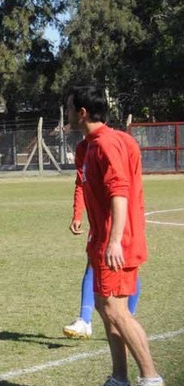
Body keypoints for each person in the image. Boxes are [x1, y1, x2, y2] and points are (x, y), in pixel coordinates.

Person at [66, 85, 165, 386]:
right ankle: (119, 379)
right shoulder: (89, 146)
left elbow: (120, 193)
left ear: (82, 113)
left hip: (117, 242)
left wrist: (114, 241)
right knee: (105, 309)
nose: (66, 114)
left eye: (69, 108)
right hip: (102, 240)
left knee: (117, 310)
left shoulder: (108, 144)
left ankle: (150, 378)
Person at [63, 141, 140, 340]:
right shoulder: (82, 148)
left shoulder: (111, 145)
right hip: (98, 223)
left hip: (122, 219)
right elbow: (81, 182)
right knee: (92, 264)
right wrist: (77, 214)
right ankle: (85, 320)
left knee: (128, 265)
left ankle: (127, 320)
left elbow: (123, 189)